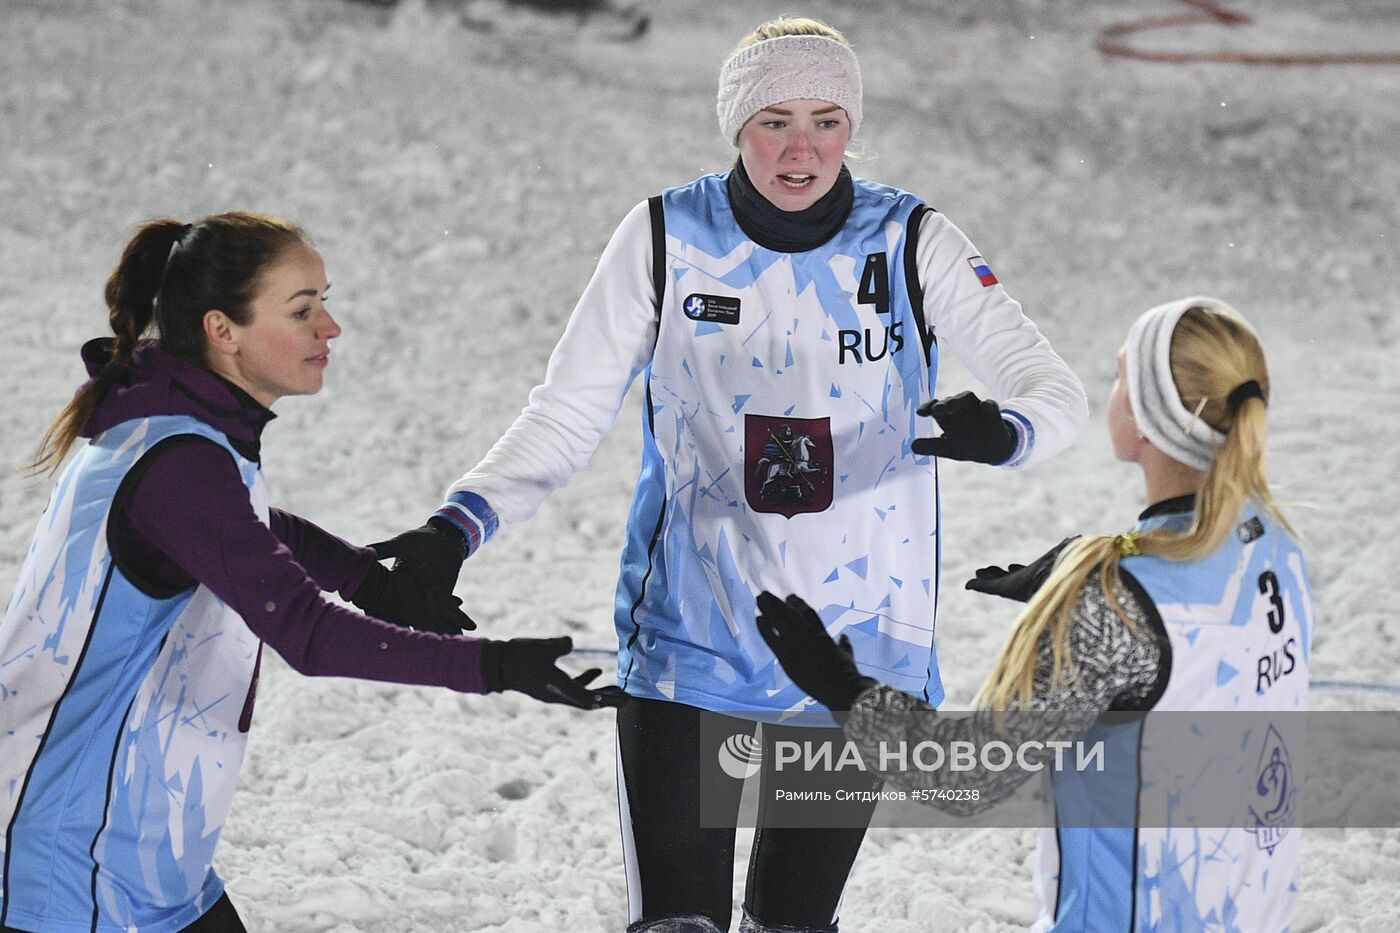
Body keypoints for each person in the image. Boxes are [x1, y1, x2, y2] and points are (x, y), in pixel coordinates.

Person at [377, 16, 1087, 932]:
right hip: (691, 642)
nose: (802, 148)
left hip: (854, 660)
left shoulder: (912, 239)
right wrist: (455, 526)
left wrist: (1008, 433)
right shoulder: (664, 237)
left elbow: (1054, 392)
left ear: (852, 126)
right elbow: (565, 410)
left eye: (827, 120)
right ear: (734, 126)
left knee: (793, 924)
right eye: (775, 120)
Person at [0, 212, 619, 933]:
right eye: (302, 310)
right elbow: (307, 635)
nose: (331, 328)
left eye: (324, 299)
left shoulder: (171, 427)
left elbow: (246, 529)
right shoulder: (182, 463)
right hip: (78, 862)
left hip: (138, 848)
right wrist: (497, 665)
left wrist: (370, 579)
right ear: (222, 330)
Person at [757, 296, 1311, 932]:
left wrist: (842, 688)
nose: (1113, 392)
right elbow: (1190, 635)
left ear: (1148, 419)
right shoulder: (1275, 542)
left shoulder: (1114, 604)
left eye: (1120, 376)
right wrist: (1085, 567)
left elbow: (964, 778)